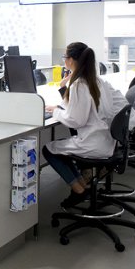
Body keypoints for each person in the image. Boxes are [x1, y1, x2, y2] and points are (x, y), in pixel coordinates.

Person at [42, 42, 119, 208]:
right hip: (106, 140)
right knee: (62, 148)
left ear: (70, 60)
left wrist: (55, 112)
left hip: (93, 143)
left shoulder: (79, 85)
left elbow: (76, 120)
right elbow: (80, 108)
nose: (64, 61)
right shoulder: (97, 81)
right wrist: (62, 96)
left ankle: (78, 189)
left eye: (64, 57)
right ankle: (83, 187)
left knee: (49, 149)